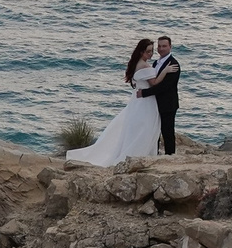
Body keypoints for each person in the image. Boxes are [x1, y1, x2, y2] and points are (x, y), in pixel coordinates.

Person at [66, 39, 164, 167]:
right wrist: (165, 71)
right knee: (145, 127)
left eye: (152, 51)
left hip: (137, 100)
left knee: (137, 127)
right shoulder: (145, 66)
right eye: (148, 52)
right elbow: (154, 83)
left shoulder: (135, 64)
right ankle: (139, 154)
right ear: (141, 52)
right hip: (146, 101)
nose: (150, 54)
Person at [149, 36, 182, 153]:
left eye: (164, 46)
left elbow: (164, 87)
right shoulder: (155, 63)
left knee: (167, 132)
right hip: (155, 103)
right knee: (155, 130)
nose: (161, 48)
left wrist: (144, 93)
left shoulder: (174, 64)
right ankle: (155, 152)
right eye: (160, 46)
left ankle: (170, 155)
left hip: (168, 104)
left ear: (170, 47)